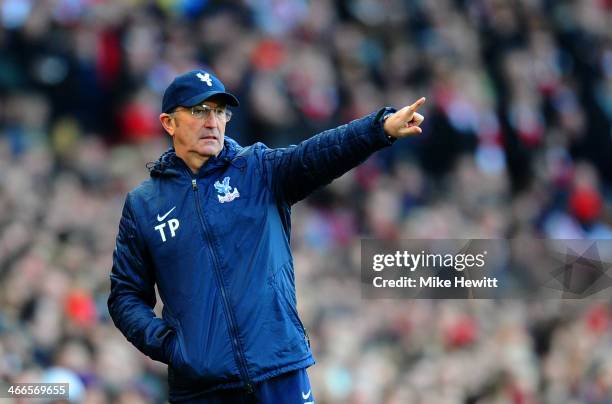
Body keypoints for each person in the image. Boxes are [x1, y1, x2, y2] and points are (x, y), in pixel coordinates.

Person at [108, 69, 425, 403]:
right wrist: (172, 346)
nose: (211, 121)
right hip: (202, 390)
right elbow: (125, 295)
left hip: (279, 370)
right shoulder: (144, 205)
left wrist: (378, 129)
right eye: (198, 111)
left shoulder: (257, 169)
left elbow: (318, 154)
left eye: (219, 111)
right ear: (169, 123)